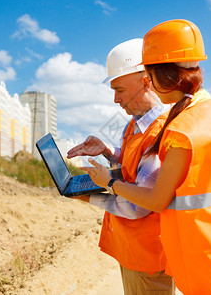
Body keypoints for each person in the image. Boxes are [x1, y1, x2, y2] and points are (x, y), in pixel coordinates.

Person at [81, 20, 211, 295]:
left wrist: (108, 183)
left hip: (205, 256)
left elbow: (155, 199)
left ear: (157, 77)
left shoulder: (182, 129)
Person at [67, 38, 175, 294]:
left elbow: (138, 206)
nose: (116, 100)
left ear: (146, 81)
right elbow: (133, 166)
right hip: (135, 250)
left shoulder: (160, 131)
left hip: (148, 256)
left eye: (120, 90)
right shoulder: (134, 124)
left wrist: (90, 196)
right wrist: (107, 151)